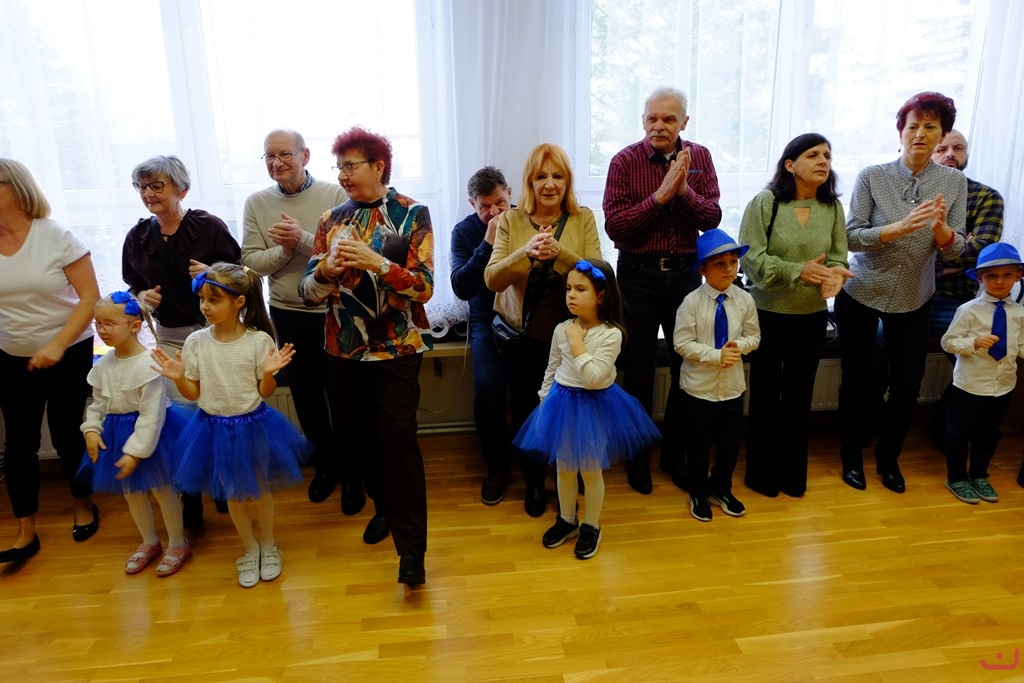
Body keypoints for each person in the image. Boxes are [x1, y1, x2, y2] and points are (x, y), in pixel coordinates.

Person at [298, 126, 434, 587]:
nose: (342, 175)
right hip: (342, 349)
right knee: (358, 440)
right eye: (338, 167)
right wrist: (325, 271)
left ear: (378, 166)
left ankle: (411, 551)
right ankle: (386, 507)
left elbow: (424, 287)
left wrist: (378, 263)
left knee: (398, 442)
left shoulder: (412, 213)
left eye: (350, 166)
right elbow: (307, 291)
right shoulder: (330, 220)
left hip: (396, 348)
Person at [837, 92, 967, 494]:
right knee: (857, 380)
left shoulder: (954, 182)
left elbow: (957, 248)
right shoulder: (872, 176)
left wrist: (942, 230)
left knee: (908, 384)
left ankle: (889, 459)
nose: (921, 134)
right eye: (913, 126)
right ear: (900, 132)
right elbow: (850, 236)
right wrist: (897, 228)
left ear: (942, 135)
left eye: (931, 127)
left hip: (915, 295)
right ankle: (851, 456)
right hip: (862, 291)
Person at [152, 263, 308, 588]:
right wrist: (179, 378)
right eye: (202, 299)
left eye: (214, 299)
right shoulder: (196, 342)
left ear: (238, 302)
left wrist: (269, 373)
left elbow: (265, 392)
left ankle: (268, 545)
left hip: (252, 425)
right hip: (212, 427)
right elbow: (193, 394)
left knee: (259, 490)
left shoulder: (258, 341)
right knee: (234, 494)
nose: (205, 306)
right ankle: (249, 548)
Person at [603, 86, 723, 495]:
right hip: (637, 275)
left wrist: (683, 190)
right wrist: (659, 197)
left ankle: (674, 455)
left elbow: (711, 218)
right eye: (652, 118)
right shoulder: (624, 161)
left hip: (686, 274)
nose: (659, 125)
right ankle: (638, 457)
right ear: (642, 120)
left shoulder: (700, 157)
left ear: (684, 122)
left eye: (668, 119)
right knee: (637, 370)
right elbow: (616, 227)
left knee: (685, 365)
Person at [241, 129, 364, 515]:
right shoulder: (256, 202)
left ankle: (353, 473)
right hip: (287, 312)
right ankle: (325, 465)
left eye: (284, 154)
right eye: (269, 156)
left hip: (335, 311)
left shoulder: (335, 195)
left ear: (305, 155)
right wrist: (285, 250)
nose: (276, 163)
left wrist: (303, 239)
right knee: (306, 397)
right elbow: (251, 262)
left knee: (343, 397)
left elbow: (346, 251)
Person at [122, 154, 241, 528]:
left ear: (181, 189)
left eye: (157, 185)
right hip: (170, 339)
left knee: (220, 412)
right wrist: (141, 299)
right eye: (142, 186)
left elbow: (242, 278)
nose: (148, 193)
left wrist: (215, 273)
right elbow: (132, 288)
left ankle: (222, 485)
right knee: (185, 420)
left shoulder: (209, 227)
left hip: (216, 336)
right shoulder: (138, 237)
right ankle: (191, 496)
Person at [484, 143, 603, 518]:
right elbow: (492, 279)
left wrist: (561, 254)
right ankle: (534, 481)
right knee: (528, 412)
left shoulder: (582, 217)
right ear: (529, 182)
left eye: (557, 176)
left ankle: (567, 473)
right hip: (525, 339)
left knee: (572, 412)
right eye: (541, 176)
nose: (549, 184)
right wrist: (527, 252)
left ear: (567, 181)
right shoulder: (511, 220)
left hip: (574, 340)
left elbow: (599, 275)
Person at [513, 259, 660, 559]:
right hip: (561, 404)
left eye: (580, 289)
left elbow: (594, 379)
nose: (571, 295)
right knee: (565, 469)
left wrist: (577, 344)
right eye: (569, 288)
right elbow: (552, 368)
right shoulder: (562, 329)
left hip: (594, 406)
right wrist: (543, 403)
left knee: (590, 472)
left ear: (601, 296)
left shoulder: (611, 334)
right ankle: (567, 519)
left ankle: (591, 526)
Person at [739, 133, 853, 498]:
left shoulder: (831, 207)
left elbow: (837, 256)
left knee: (799, 395)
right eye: (813, 154)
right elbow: (750, 258)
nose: (823, 161)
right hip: (768, 313)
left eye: (827, 156)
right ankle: (761, 476)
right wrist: (796, 270)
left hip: (812, 315)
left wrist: (834, 275)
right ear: (790, 164)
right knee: (765, 394)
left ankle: (792, 476)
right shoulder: (766, 202)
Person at [0, 158, 101, 564]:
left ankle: (84, 505)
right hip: (12, 355)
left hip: (69, 349)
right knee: (18, 442)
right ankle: (25, 531)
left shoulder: (56, 236)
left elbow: (90, 298)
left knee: (66, 433)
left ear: (16, 187)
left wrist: (58, 344)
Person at [78, 292, 191, 576]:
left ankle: (177, 544)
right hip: (117, 433)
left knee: (163, 490)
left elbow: (152, 415)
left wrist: (136, 451)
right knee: (132, 492)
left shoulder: (150, 364)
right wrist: (91, 429)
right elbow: (98, 403)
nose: (102, 330)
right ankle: (150, 541)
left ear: (134, 325)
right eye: (98, 324)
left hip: (152, 434)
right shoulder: (103, 364)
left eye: (109, 323)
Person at [673, 230, 760, 522]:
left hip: (732, 389)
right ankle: (698, 492)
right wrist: (715, 355)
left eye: (733, 262)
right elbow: (681, 343)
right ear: (703, 269)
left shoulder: (744, 300)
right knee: (698, 447)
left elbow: (754, 336)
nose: (728, 269)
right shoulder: (691, 303)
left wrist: (739, 346)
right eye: (719, 264)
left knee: (730, 445)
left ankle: (721, 488)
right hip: (698, 390)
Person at [927, 129, 1005, 441]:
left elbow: (979, 256)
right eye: (941, 148)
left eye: (958, 148)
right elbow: (901, 253)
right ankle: (866, 430)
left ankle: (945, 429)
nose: (950, 154)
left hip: (956, 299)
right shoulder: (912, 194)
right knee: (875, 349)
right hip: (907, 296)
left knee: (980, 361)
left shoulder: (987, 197)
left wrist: (940, 250)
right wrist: (957, 247)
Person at [940, 243, 1024, 504]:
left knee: (989, 434)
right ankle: (956, 477)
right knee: (958, 433)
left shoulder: (1020, 314)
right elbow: (948, 342)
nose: (999, 281)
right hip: (970, 385)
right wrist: (973, 343)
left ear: (1018, 276)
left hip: (1003, 385)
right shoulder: (968, 310)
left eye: (1007, 275)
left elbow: (1020, 345)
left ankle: (979, 474)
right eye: (992, 276)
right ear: (980, 278)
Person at [450, 166, 515, 505]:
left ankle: (537, 466)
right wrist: (487, 242)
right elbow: (461, 287)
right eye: (485, 206)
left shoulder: (527, 218)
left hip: (526, 317)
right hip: (486, 319)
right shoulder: (464, 231)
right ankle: (497, 467)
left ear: (510, 194)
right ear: (472, 204)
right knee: (488, 391)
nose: (494, 211)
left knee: (536, 389)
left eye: (500, 202)